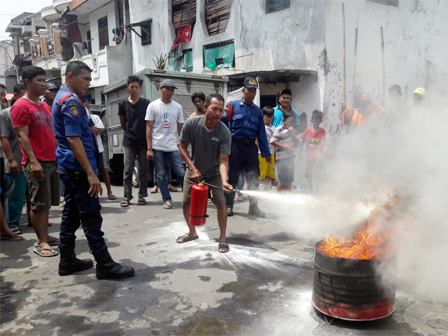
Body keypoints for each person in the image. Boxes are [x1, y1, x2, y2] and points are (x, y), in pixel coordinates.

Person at [53, 60, 134, 279]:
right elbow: (73, 138)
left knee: (71, 215)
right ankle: (104, 264)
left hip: (71, 167)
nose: (89, 83)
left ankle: (67, 260)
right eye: (85, 79)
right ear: (71, 77)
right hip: (78, 169)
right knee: (91, 216)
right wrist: (91, 173)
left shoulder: (67, 98)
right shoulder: (69, 101)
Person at [11, 66, 59, 257]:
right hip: (36, 161)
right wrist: (33, 161)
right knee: (38, 203)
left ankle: (46, 235)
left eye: (43, 80)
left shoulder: (43, 104)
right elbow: (22, 137)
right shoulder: (21, 106)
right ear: (27, 82)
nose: (43, 84)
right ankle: (41, 242)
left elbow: (50, 132)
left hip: (50, 159)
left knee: (46, 203)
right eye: (39, 80)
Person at [178, 93, 233, 253]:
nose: (218, 113)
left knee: (221, 203)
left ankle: (222, 238)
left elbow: (223, 160)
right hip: (193, 170)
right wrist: (193, 168)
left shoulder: (224, 132)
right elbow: (182, 147)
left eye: (221, 110)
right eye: (214, 109)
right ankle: (192, 232)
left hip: (214, 172)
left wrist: (224, 181)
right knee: (185, 203)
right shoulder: (192, 123)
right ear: (205, 107)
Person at [221, 77, 271, 217]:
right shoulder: (231, 106)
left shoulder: (258, 111)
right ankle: (229, 205)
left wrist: (266, 154)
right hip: (235, 147)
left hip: (251, 149)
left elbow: (261, 133)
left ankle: (253, 207)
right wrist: (223, 148)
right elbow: (223, 127)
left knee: (253, 178)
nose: (251, 93)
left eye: (254, 91)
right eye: (249, 90)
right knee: (232, 177)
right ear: (243, 90)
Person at [145, 79, 186, 209]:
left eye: (172, 89)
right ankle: (166, 200)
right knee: (160, 174)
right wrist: (149, 148)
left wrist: (182, 146)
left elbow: (180, 127)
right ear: (160, 89)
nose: (169, 91)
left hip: (172, 145)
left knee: (181, 172)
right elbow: (149, 128)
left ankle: (189, 198)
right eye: (167, 88)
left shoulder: (177, 107)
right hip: (157, 146)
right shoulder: (153, 106)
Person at [118, 75, 150, 207]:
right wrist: (130, 133)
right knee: (127, 170)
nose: (134, 89)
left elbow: (149, 123)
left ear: (140, 88)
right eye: (132, 87)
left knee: (143, 169)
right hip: (129, 142)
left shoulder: (146, 103)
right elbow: (123, 123)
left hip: (143, 142)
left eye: (137, 87)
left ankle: (142, 196)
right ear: (127, 88)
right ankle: (127, 197)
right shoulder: (122, 104)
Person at [0, 87, 27, 234]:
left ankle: (33, 220)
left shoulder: (32, 111)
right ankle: (11, 224)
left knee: (31, 195)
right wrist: (11, 160)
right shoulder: (5, 114)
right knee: (15, 194)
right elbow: (4, 139)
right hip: (15, 160)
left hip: (31, 161)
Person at [83, 101, 116, 200]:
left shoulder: (95, 118)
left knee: (103, 170)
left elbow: (97, 131)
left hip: (98, 149)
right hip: (85, 150)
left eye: (86, 107)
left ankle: (109, 192)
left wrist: (88, 124)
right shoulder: (78, 119)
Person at [271, 111, 300, 192]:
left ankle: (288, 199)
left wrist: (291, 133)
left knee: (289, 181)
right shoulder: (279, 129)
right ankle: (278, 199)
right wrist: (285, 146)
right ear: (284, 120)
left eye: (293, 121)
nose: (292, 123)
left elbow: (297, 144)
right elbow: (273, 141)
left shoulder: (293, 131)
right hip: (281, 159)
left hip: (290, 159)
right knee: (282, 181)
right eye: (290, 121)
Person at [300, 110, 326, 192]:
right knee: (309, 173)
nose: (316, 122)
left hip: (318, 156)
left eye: (318, 121)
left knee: (318, 173)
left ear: (321, 121)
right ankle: (311, 189)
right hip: (309, 156)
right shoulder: (308, 130)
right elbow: (303, 141)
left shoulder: (322, 131)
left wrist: (321, 153)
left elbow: (323, 143)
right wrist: (300, 153)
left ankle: (318, 188)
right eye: (314, 120)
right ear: (311, 120)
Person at [258, 106, 276, 190]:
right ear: (263, 116)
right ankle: (259, 189)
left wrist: (275, 153)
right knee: (261, 173)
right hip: (261, 153)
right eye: (267, 117)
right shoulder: (260, 127)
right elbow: (256, 140)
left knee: (270, 173)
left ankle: (268, 189)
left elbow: (275, 142)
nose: (269, 119)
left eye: (271, 117)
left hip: (271, 153)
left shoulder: (274, 128)